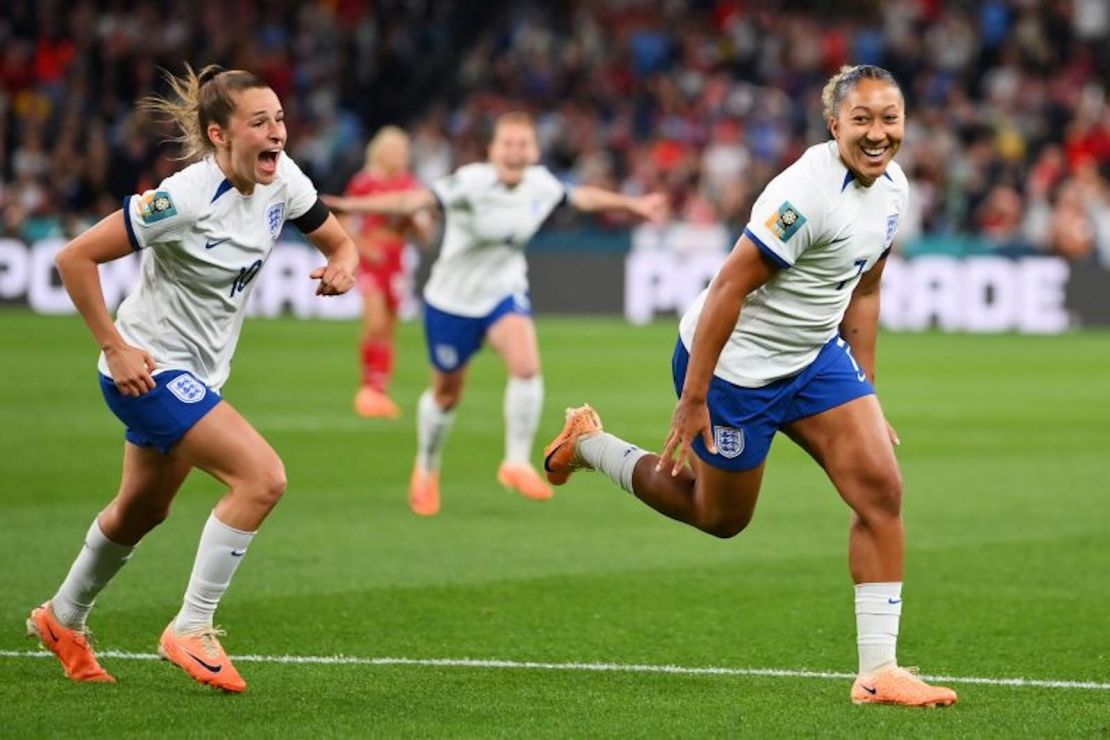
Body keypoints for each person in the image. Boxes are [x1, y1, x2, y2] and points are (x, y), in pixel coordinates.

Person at [543, 66, 958, 708]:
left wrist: (866, 391)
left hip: (815, 358)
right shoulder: (804, 196)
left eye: (890, 118)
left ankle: (879, 673)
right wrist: (695, 396)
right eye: (863, 120)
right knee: (720, 517)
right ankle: (591, 445)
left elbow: (867, 286)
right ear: (834, 124)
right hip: (736, 370)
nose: (878, 134)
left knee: (882, 490)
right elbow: (731, 286)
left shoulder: (894, 188)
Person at [26, 65, 358, 693]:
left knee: (142, 510)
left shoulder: (283, 179)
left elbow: (341, 244)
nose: (278, 133)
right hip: (147, 370)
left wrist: (343, 263)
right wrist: (114, 346)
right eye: (259, 122)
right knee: (262, 479)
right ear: (219, 135)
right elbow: (74, 257)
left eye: (280, 118)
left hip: (200, 374)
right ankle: (191, 626)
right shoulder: (182, 197)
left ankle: (61, 618)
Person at [325, 111, 667, 516]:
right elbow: (411, 200)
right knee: (447, 393)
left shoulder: (541, 184)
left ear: (534, 150)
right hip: (452, 299)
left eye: (523, 144)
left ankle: (516, 462)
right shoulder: (470, 182)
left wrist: (633, 204)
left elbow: (584, 197)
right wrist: (351, 203)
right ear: (493, 150)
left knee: (526, 366)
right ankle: (426, 468)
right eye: (508, 144)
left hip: (503, 292)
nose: (515, 151)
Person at [343, 126, 434, 419]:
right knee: (375, 322)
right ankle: (367, 388)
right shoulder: (364, 183)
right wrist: (361, 246)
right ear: (380, 152)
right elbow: (343, 220)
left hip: (396, 260)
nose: (400, 155)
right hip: (373, 258)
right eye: (395, 149)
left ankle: (379, 391)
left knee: (390, 328)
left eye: (403, 150)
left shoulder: (411, 186)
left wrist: (416, 220)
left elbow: (426, 234)